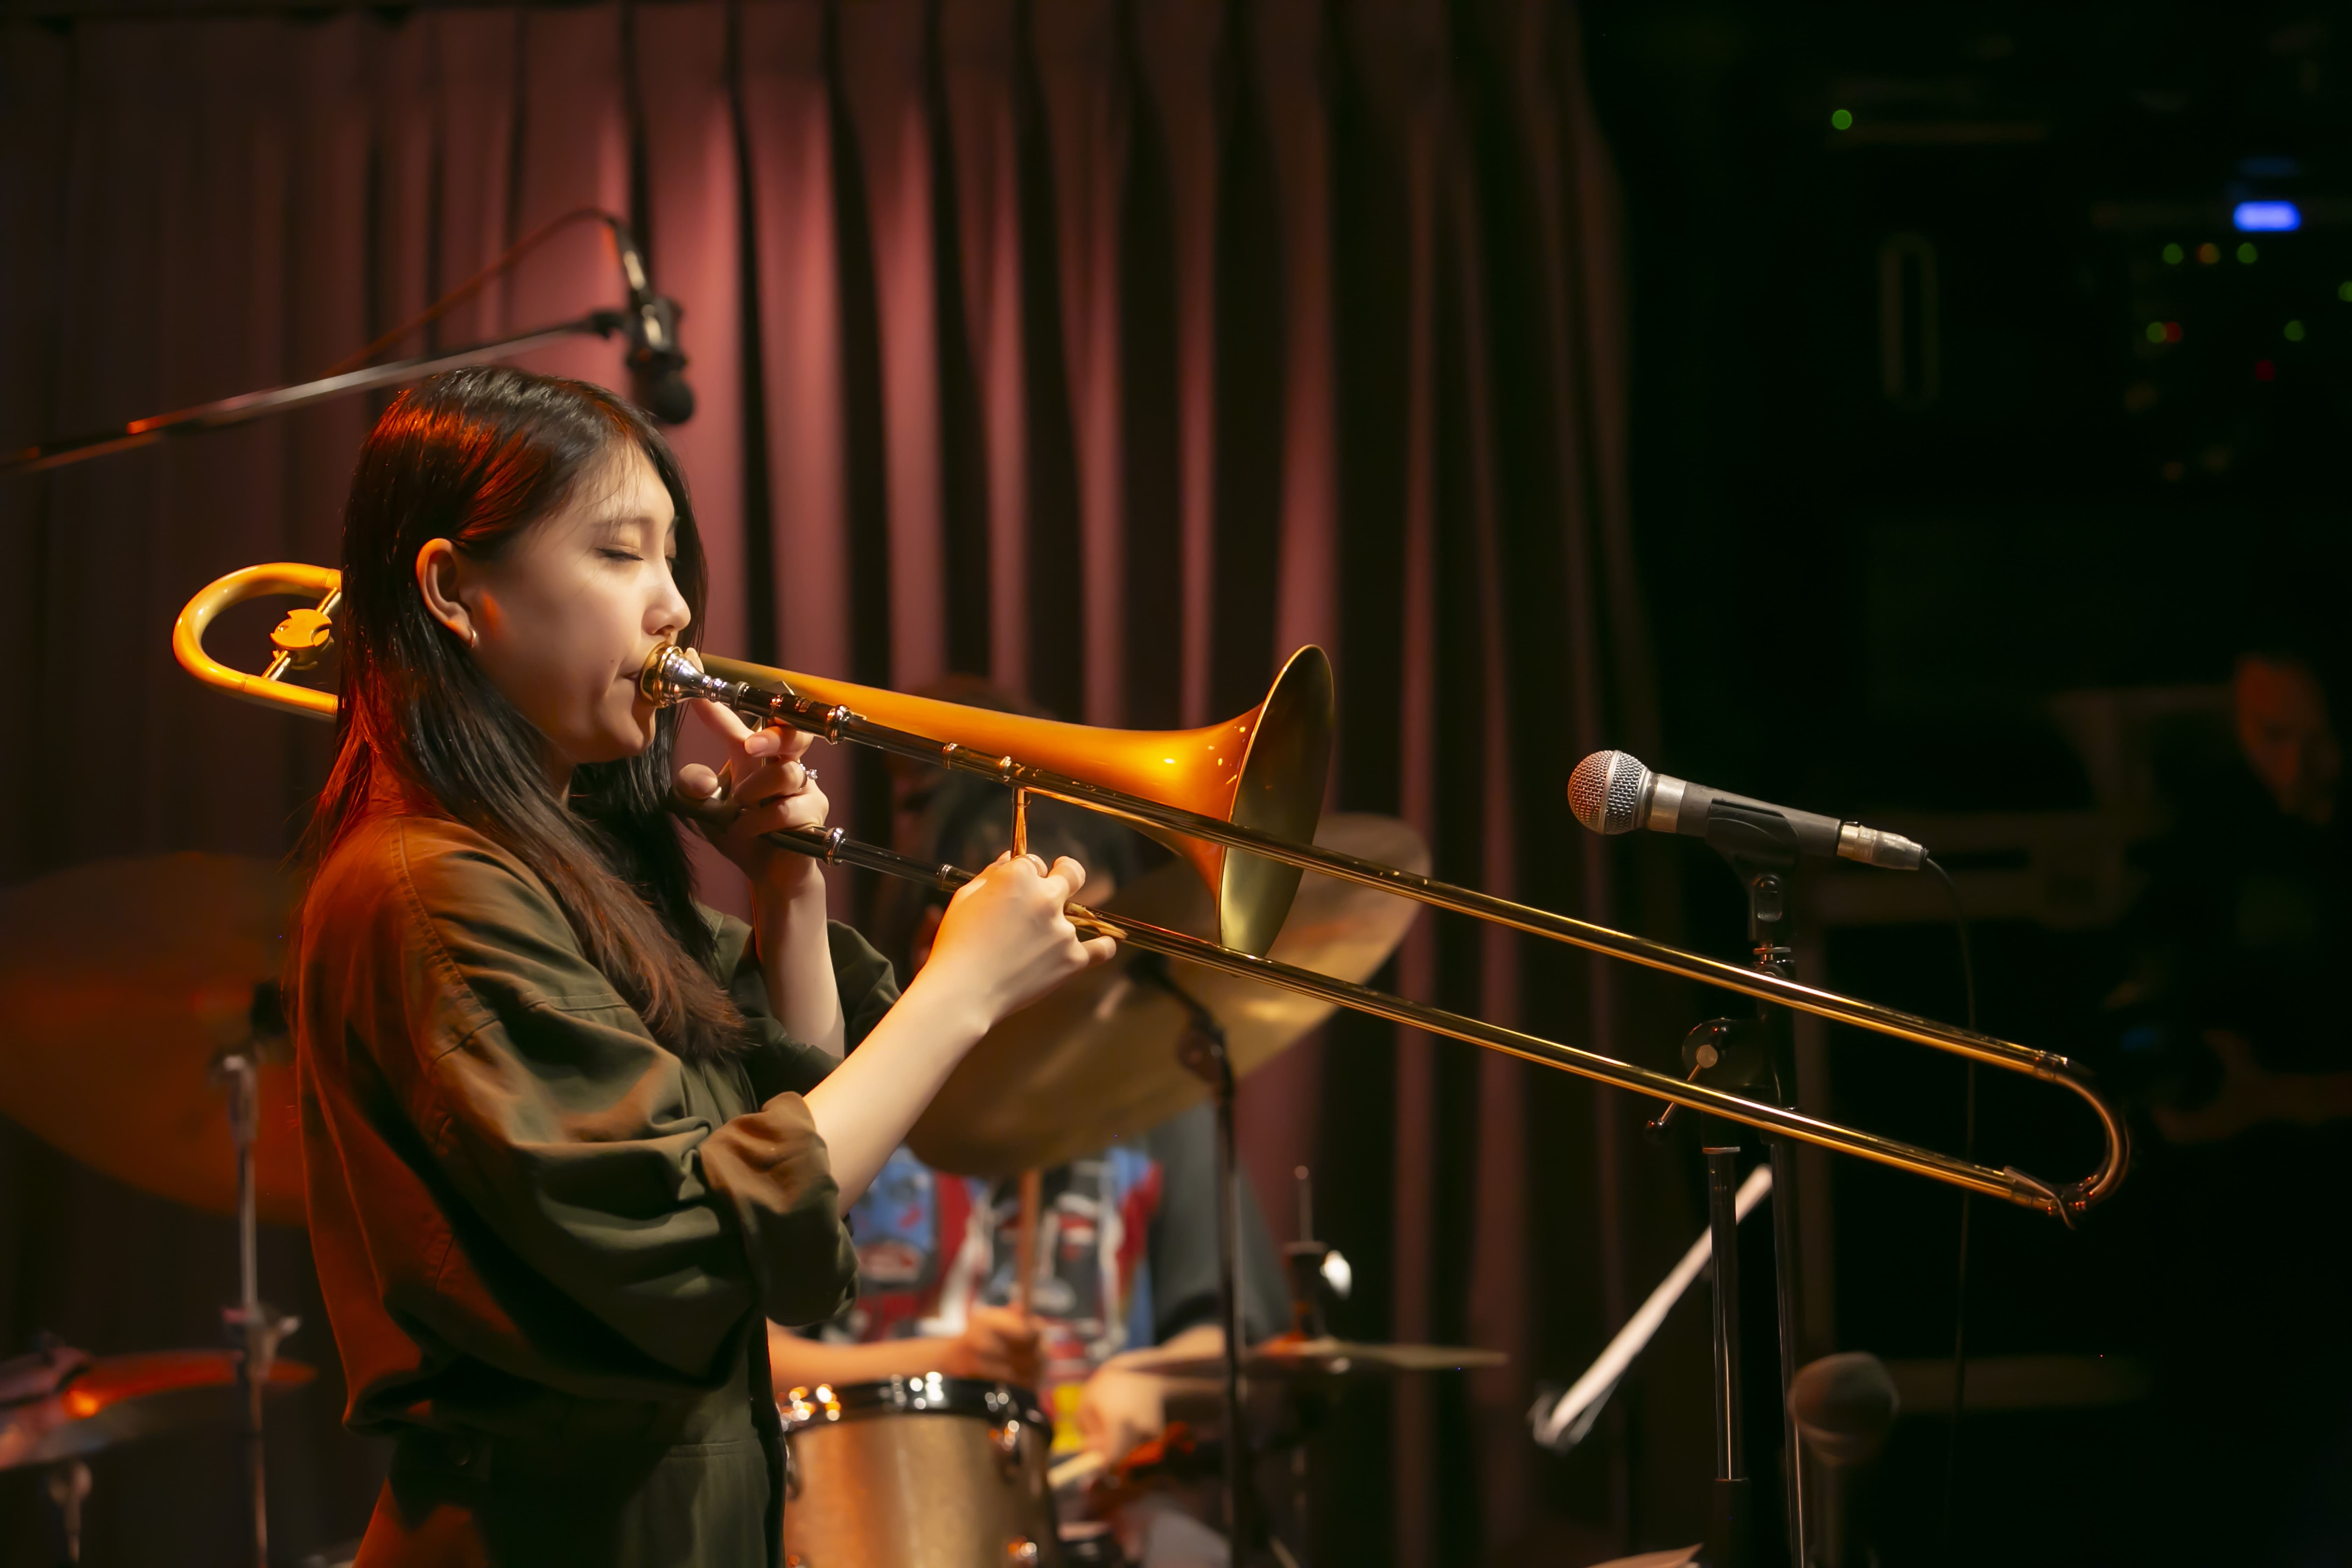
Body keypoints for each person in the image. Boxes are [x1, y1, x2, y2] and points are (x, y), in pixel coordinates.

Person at [289, 366, 1113, 1567]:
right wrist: (962, 990)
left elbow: (804, 1133)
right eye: (623, 556)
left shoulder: (570, 870)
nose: (676, 607)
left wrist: (789, 891)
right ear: (455, 591)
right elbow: (703, 1245)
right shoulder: (431, 889)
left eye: (674, 562)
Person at [767, 694, 1289, 1561]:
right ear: (945, 929)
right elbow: (747, 1347)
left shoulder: (1160, 1100)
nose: (1075, 972)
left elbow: (1241, 1345)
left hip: (1102, 1513)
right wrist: (943, 1359)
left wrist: (1148, 1379)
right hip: (875, 1508)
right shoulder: (857, 1084)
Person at [2109, 643, 2352, 1561]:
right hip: (2234, 1240)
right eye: (2271, 736)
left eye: (2319, 739)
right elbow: (2140, 1014)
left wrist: (2282, 1099)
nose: (2296, 766)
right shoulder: (2212, 836)